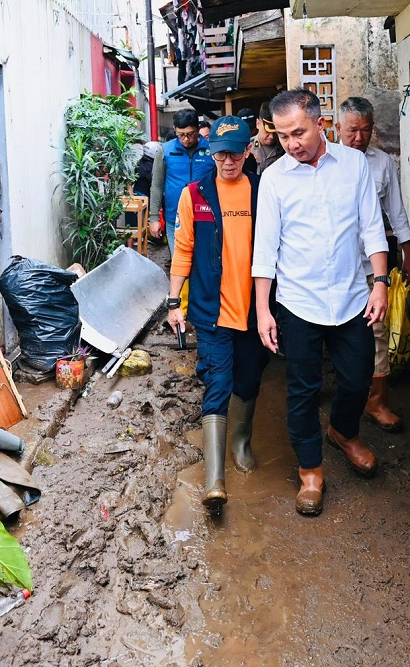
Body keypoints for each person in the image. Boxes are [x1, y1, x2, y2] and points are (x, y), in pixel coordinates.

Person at [252, 88, 389, 517]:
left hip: (352, 296)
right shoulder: (275, 178)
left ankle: (344, 432)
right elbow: (265, 248)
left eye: (298, 133)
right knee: (303, 389)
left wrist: (380, 282)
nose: (291, 143)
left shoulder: (352, 166)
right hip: (298, 302)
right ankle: (310, 470)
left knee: (356, 378)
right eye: (283, 135)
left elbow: (371, 226)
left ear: (320, 123)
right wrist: (263, 309)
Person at [167, 116, 269, 513]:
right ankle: (214, 479)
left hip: (254, 309)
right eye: (221, 154)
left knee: (249, 378)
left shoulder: (262, 191)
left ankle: (241, 443)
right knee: (217, 381)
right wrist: (174, 303)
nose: (228, 161)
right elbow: (183, 249)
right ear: (212, 154)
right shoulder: (195, 195)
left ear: (248, 151)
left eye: (236, 153)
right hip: (211, 310)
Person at [336, 97, 410, 433]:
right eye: (352, 130)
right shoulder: (324, 161)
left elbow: (395, 211)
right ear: (337, 128)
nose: (358, 137)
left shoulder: (382, 164)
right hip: (337, 268)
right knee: (338, 333)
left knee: (378, 331)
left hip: (372, 267)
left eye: (365, 130)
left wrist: (407, 249)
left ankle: (377, 401)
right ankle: (343, 397)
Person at [149, 109, 215, 255]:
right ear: (175, 130)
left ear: (198, 129)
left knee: (203, 261)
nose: (186, 139)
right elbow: (157, 186)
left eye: (190, 134)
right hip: (175, 219)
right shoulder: (165, 151)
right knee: (180, 263)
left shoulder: (212, 150)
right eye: (181, 135)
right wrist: (154, 218)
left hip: (205, 217)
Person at [250, 99, 285, 175]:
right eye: (267, 132)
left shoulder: (285, 148)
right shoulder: (247, 148)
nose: (272, 136)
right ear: (258, 124)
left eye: (275, 132)